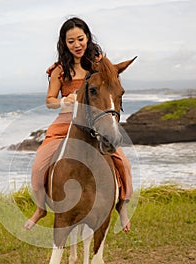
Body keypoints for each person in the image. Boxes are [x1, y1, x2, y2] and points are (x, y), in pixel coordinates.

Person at [24, 17, 133, 232]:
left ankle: (122, 206)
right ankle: (40, 209)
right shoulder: (59, 70)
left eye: (80, 39)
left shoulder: (99, 65)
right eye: (71, 41)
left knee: (124, 164)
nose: (77, 45)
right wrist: (64, 101)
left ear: (88, 38)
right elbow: (49, 101)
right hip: (66, 123)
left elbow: (112, 85)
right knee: (38, 167)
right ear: (64, 43)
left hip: (96, 123)